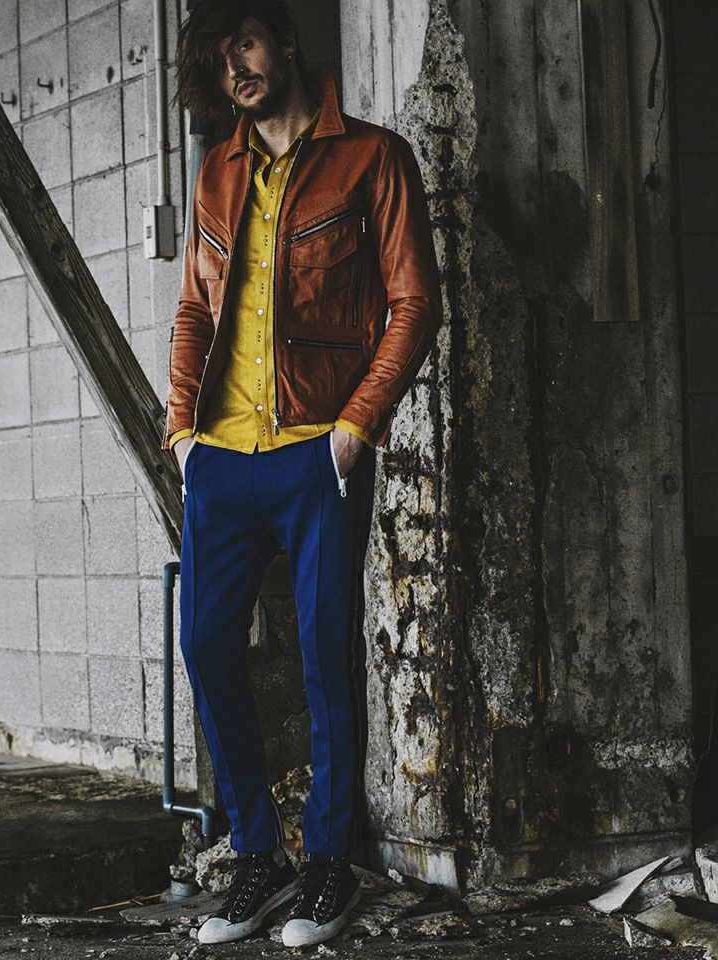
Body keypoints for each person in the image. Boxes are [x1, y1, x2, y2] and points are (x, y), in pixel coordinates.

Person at [163, 0, 442, 947]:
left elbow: (414, 301)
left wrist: (355, 429)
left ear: (284, 41)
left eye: (244, 42)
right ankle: (258, 855)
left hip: (318, 452)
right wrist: (181, 430)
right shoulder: (217, 172)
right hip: (221, 457)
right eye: (218, 56)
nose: (235, 67)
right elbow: (194, 309)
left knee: (326, 655)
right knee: (206, 645)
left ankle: (328, 862)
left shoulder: (372, 159)